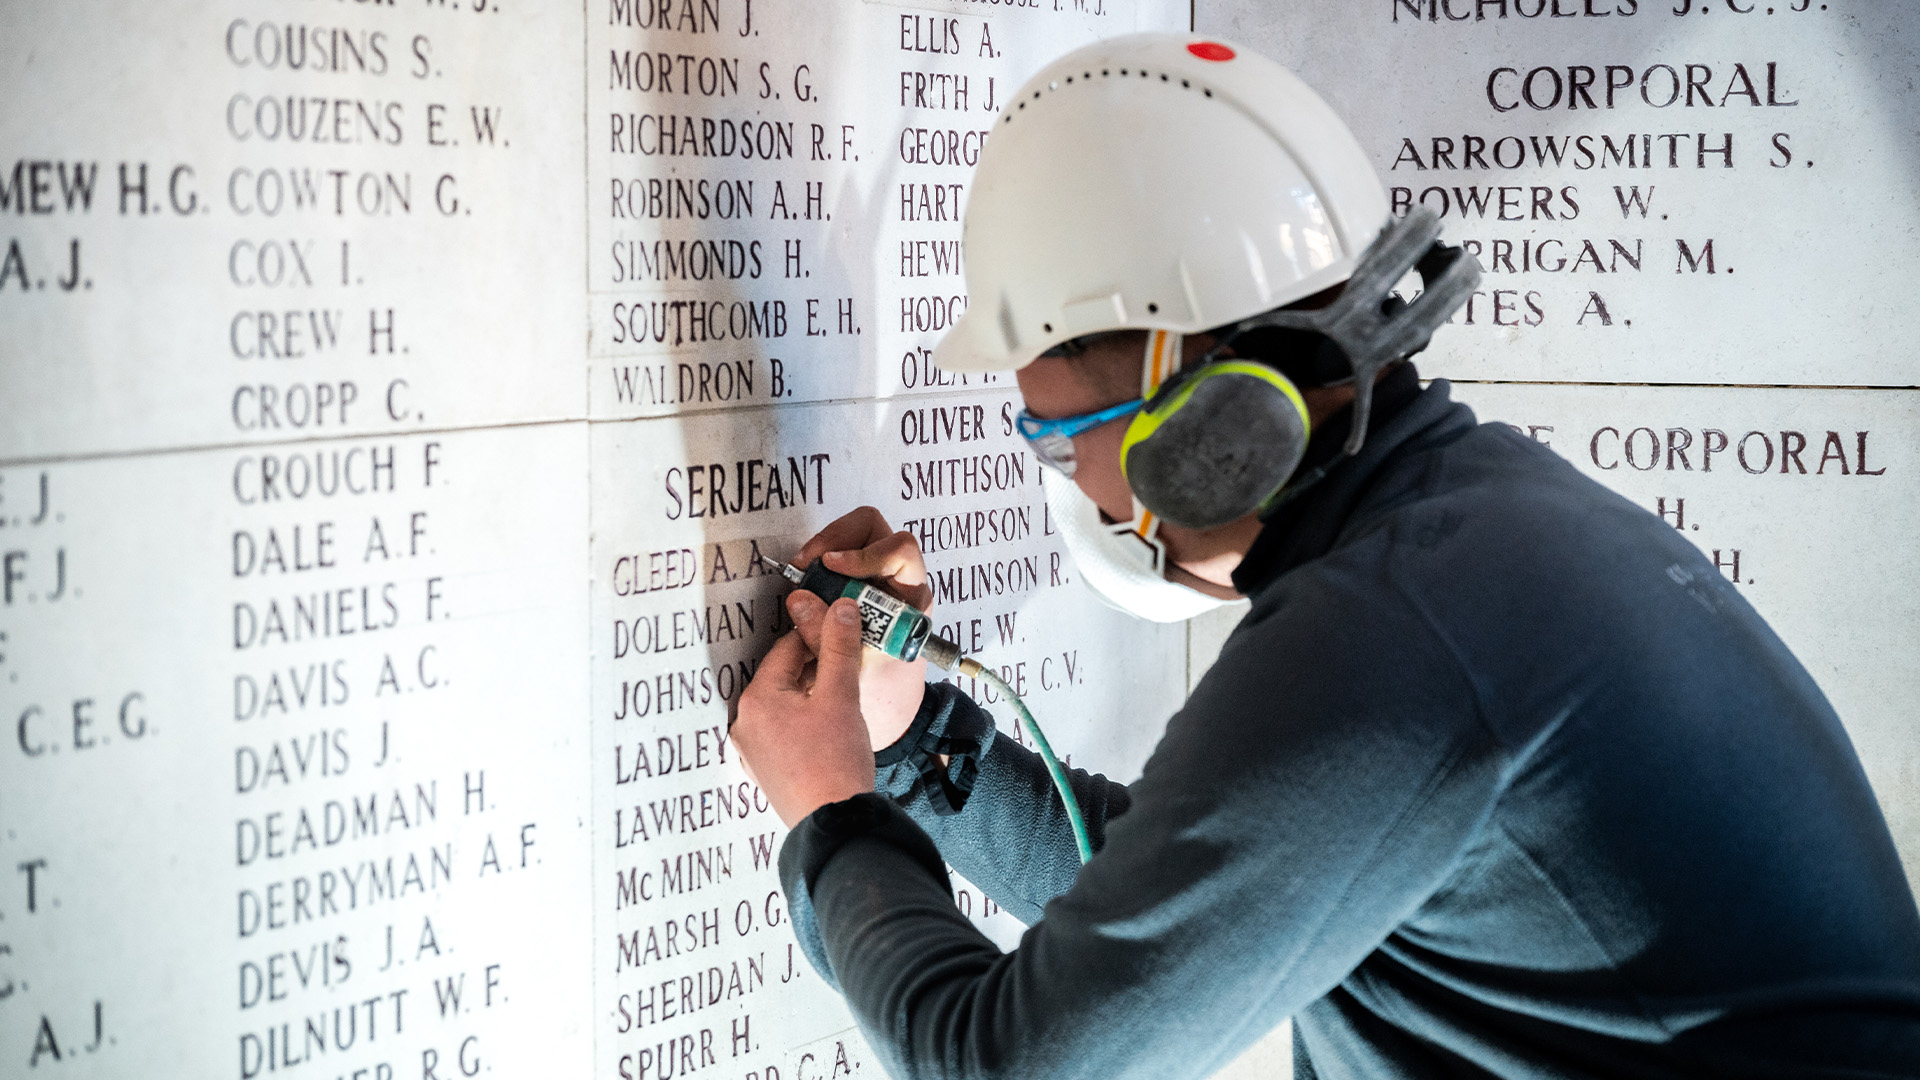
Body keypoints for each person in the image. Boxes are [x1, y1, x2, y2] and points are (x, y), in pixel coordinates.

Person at [730, 33, 1920, 1079]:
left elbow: (1008, 1065)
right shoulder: (1472, 527)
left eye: (1052, 436)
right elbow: (1189, 902)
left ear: (1191, 411)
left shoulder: (1399, 628)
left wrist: (829, 817)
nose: (1071, 483)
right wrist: (911, 739)